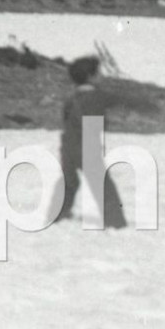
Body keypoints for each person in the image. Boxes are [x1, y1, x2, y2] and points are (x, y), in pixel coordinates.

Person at [54, 55, 126, 228]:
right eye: (98, 72)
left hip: (67, 146)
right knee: (104, 186)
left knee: (70, 182)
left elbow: (67, 120)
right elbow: (117, 102)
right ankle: (115, 222)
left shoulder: (71, 97)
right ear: (91, 77)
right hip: (86, 146)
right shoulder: (96, 96)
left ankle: (60, 214)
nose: (101, 76)